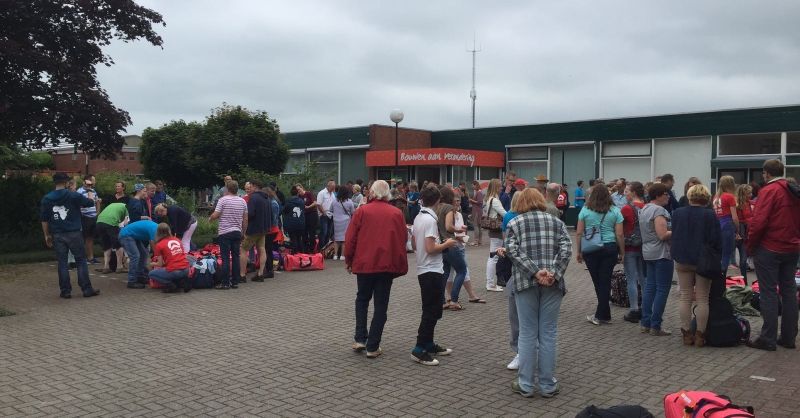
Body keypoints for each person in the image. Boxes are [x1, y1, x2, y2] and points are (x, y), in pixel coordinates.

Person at [500, 188, 572, 399]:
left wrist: (534, 272)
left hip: (525, 283)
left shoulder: (515, 223)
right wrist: (553, 273)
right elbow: (566, 249)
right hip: (552, 284)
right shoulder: (556, 222)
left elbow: (512, 251)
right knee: (548, 333)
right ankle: (548, 385)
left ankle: (526, 384)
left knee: (527, 333)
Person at [345, 180, 409, 359]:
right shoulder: (396, 213)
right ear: (388, 194)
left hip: (365, 264)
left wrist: (349, 260)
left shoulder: (362, 211)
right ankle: (373, 345)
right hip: (386, 266)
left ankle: (360, 338)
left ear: (372, 193)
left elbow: (350, 239)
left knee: (362, 299)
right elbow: (403, 238)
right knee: (381, 305)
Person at [746, 159, 800, 351]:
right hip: (792, 247)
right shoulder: (793, 189)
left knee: (768, 292)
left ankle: (767, 338)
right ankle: (788, 337)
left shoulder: (769, 191)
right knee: (789, 292)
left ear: (766, 173)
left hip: (770, 247)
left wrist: (750, 246)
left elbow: (759, 222)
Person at [410, 185, 458, 366]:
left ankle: (428, 344)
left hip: (425, 268)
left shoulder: (419, 217)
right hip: (431, 269)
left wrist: (441, 242)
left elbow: (416, 244)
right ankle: (419, 348)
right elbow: (430, 249)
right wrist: (448, 244)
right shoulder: (430, 220)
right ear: (438, 201)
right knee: (431, 311)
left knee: (434, 309)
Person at [671, 184, 720, 347]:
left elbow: (675, 234)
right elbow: (715, 239)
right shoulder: (710, 215)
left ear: (689, 197)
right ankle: (700, 335)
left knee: (685, 296)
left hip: (682, 258)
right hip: (703, 261)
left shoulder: (677, 213)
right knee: (702, 298)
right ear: (706, 198)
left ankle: (686, 334)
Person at [40, 172, 101, 298]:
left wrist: (47, 235)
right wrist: (90, 194)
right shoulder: (73, 195)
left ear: (54, 182)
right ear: (67, 182)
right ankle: (86, 289)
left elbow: (44, 219)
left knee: (62, 262)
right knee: (80, 261)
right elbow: (89, 204)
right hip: (74, 232)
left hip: (57, 233)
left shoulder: (47, 198)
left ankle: (65, 291)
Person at [576, 183, 624, 325]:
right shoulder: (615, 211)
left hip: (591, 249)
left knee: (598, 282)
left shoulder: (585, 210)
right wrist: (622, 252)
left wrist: (578, 251)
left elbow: (579, 232)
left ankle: (601, 315)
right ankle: (604, 314)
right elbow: (620, 234)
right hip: (610, 248)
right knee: (605, 280)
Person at [638, 183, 674, 336]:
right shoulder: (659, 211)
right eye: (666, 194)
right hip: (661, 253)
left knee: (650, 287)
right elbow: (663, 235)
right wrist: (677, 229)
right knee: (662, 289)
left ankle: (645, 323)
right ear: (658, 195)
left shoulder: (645, 209)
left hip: (648, 252)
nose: (668, 196)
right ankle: (656, 325)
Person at [209, 181, 248, 290]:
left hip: (225, 232)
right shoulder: (242, 201)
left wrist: (210, 218)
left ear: (227, 189)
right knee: (236, 257)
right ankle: (235, 281)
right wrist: (243, 232)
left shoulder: (223, 200)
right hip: (237, 232)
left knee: (225, 258)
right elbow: (245, 219)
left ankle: (225, 283)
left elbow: (216, 214)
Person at [620, 181, 646, 323]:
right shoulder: (648, 207)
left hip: (630, 247)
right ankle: (647, 307)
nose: (625, 194)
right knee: (644, 279)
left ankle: (634, 309)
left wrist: (621, 251)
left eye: (627, 191)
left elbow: (620, 230)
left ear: (634, 193)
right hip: (644, 247)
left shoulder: (626, 209)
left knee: (631, 279)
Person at [241, 180, 272, 283]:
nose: (250, 188)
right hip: (263, 229)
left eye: (251, 186)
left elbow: (250, 213)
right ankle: (260, 273)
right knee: (261, 249)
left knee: (243, 249)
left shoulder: (254, 197)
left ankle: (242, 275)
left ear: (255, 186)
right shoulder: (267, 197)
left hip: (253, 229)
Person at [148, 223, 191, 293]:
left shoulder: (159, 245)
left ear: (158, 232)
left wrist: (151, 264)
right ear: (169, 230)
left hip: (174, 270)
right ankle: (182, 281)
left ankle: (170, 285)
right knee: (173, 271)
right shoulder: (177, 240)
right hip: (186, 269)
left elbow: (160, 264)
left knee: (151, 274)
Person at [118, 219, 158, 289]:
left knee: (144, 254)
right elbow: (152, 243)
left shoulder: (156, 227)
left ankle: (140, 276)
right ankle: (132, 281)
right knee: (135, 256)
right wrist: (157, 255)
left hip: (133, 236)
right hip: (126, 235)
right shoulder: (155, 229)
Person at [484, 178, 508, 292]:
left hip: (493, 230)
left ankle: (490, 282)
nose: (501, 188)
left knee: (493, 256)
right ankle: (490, 283)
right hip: (497, 230)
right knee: (494, 256)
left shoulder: (489, 199)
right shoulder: (495, 200)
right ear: (495, 187)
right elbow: (505, 214)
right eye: (499, 186)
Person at [713, 175, 739, 272]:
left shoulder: (716, 197)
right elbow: (734, 217)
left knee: (719, 253)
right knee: (726, 253)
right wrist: (737, 229)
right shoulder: (730, 196)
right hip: (727, 224)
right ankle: (722, 276)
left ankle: (717, 275)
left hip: (717, 224)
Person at [94, 202, 128, 274]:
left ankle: (106, 267)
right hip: (111, 223)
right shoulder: (126, 207)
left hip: (99, 222)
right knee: (119, 245)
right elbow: (126, 222)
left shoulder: (113, 204)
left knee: (107, 246)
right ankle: (119, 267)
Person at [76, 175, 101, 264]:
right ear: (87, 181)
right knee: (83, 238)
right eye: (93, 180)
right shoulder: (79, 191)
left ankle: (91, 258)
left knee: (90, 238)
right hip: (84, 217)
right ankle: (83, 258)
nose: (95, 182)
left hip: (93, 217)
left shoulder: (93, 191)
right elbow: (77, 204)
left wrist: (97, 214)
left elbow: (97, 202)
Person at [734, 184, 753, 283]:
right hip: (740, 230)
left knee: (743, 259)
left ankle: (744, 281)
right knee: (740, 258)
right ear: (743, 194)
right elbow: (736, 219)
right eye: (749, 193)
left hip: (744, 231)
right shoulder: (737, 205)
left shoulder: (749, 203)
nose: (751, 194)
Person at [331, 185, 355, 261]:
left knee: (337, 239)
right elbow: (352, 212)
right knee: (344, 239)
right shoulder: (349, 201)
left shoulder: (334, 201)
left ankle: (335, 255)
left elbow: (330, 209)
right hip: (346, 221)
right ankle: (342, 255)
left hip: (336, 221)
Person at [283, 185, 307, 254]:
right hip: (301, 223)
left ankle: (294, 255)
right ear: (297, 193)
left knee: (293, 239)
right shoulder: (301, 201)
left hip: (291, 223)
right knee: (299, 239)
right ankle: (301, 255)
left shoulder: (288, 201)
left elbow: (284, 210)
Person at [317, 179, 337, 249]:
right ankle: (321, 249)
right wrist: (323, 213)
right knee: (324, 233)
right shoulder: (322, 193)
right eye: (332, 187)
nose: (333, 189)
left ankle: (326, 249)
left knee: (328, 233)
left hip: (331, 215)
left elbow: (334, 204)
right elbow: (318, 204)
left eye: (334, 187)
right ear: (328, 186)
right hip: (324, 215)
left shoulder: (333, 194)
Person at [299, 184, 319, 252]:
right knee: (304, 232)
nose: (299, 191)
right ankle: (305, 248)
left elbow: (315, 203)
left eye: (299, 189)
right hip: (304, 216)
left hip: (312, 214)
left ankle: (312, 249)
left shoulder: (308, 194)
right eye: (297, 190)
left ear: (302, 188)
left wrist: (308, 207)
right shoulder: (298, 197)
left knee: (312, 232)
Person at [469, 180, 484, 246]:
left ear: (476, 185)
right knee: (479, 226)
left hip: (477, 211)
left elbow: (480, 202)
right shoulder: (478, 192)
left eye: (473, 185)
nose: (472, 186)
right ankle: (479, 241)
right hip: (478, 211)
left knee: (476, 226)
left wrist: (471, 200)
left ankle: (476, 241)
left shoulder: (479, 192)